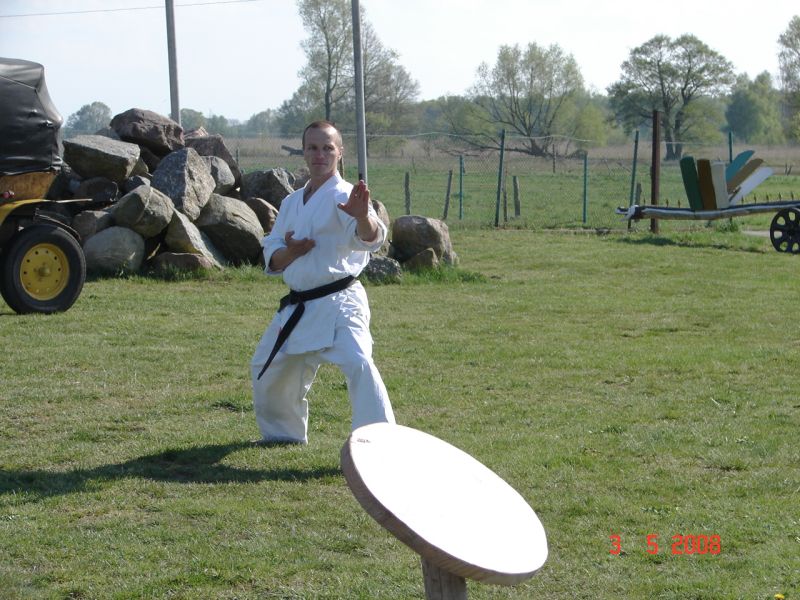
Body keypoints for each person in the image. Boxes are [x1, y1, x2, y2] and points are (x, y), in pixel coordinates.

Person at [250, 120, 395, 445]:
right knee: (268, 369)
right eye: (313, 148)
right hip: (299, 305)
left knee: (359, 362)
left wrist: (362, 216)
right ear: (303, 152)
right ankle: (283, 434)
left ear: (339, 152)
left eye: (327, 148)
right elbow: (273, 252)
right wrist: (292, 252)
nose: (320, 155)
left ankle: (379, 443)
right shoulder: (291, 202)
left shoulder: (345, 195)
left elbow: (370, 238)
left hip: (340, 302)